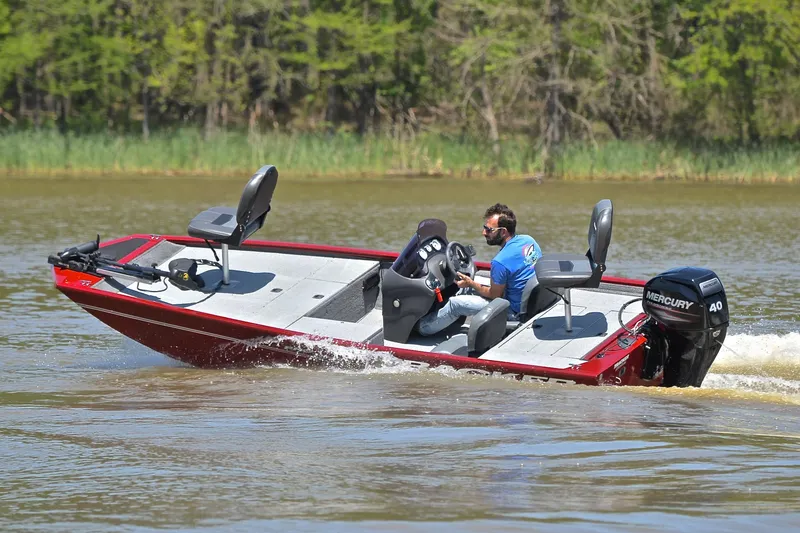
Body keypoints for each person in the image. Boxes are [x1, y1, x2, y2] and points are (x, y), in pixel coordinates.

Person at [417, 203, 542, 336]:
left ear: (503, 231)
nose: (484, 233)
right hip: (530, 302)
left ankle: (422, 328)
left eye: (489, 230)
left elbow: (495, 295)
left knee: (455, 304)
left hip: (512, 312)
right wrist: (471, 284)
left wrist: (471, 283)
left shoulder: (500, 261)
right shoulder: (529, 240)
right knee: (469, 286)